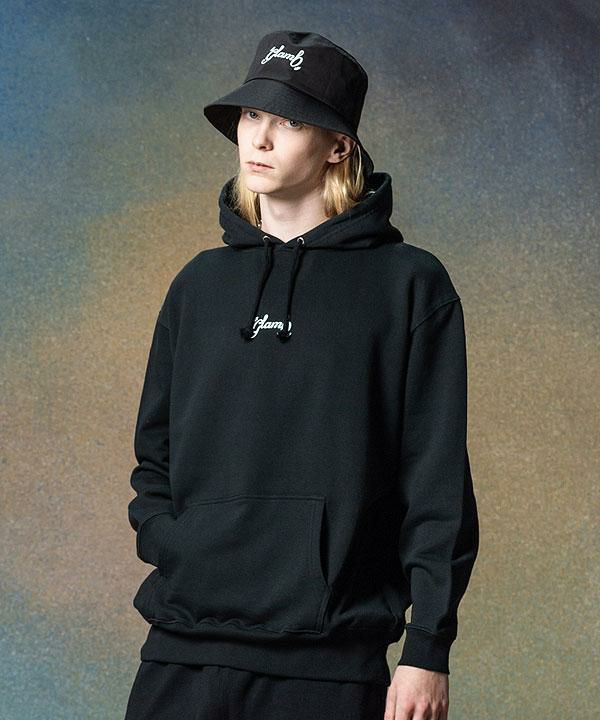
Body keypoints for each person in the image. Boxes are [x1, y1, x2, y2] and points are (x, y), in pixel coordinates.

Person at [124, 30, 479, 720]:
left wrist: (427, 646)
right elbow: (154, 456)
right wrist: (176, 543)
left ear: (338, 146)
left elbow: (435, 481)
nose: (258, 138)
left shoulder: (409, 285)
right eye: (252, 115)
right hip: (181, 646)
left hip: (329, 662)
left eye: (288, 122)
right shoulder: (198, 286)